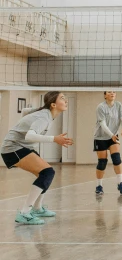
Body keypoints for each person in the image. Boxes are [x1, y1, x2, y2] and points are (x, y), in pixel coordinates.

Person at [1, 91, 73, 225]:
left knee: (46, 174)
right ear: (53, 104)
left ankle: (38, 208)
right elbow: (29, 136)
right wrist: (55, 139)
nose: (66, 100)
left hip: (23, 147)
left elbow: (24, 111)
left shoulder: (44, 112)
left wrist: (23, 122)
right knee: (47, 172)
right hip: (13, 148)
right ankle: (24, 213)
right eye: (62, 98)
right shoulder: (44, 117)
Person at [94, 90, 122, 197]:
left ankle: (120, 183)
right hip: (101, 137)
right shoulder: (101, 107)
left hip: (114, 135)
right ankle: (99, 186)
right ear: (105, 95)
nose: (112, 93)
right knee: (102, 162)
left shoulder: (118, 105)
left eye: (114, 92)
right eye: (109, 92)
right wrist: (111, 134)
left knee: (116, 158)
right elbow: (103, 124)